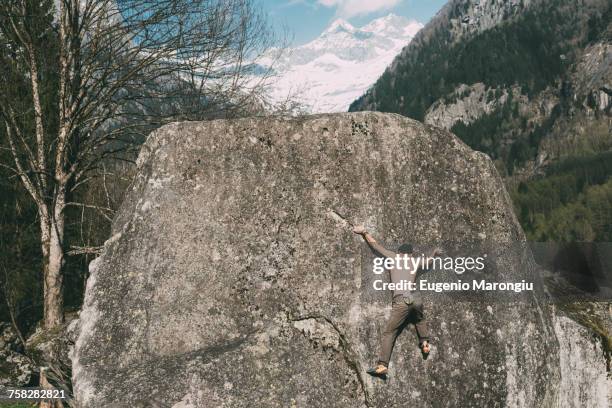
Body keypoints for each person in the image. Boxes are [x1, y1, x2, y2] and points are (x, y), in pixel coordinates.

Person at [352, 225, 440, 378]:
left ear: (400, 252)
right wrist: (435, 253)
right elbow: (429, 261)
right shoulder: (415, 261)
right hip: (415, 297)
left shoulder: (394, 257)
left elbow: (376, 246)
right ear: (411, 254)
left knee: (390, 333)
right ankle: (425, 343)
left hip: (401, 300)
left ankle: (382, 365)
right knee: (419, 319)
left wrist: (364, 232)